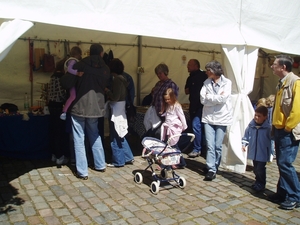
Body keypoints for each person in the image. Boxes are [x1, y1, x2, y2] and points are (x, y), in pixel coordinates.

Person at [70, 44, 110, 180]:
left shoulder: (80, 65)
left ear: (89, 53)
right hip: (96, 107)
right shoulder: (106, 69)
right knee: (95, 134)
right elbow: (106, 86)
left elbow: (69, 82)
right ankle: (100, 164)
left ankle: (82, 171)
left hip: (79, 106)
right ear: (101, 54)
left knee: (79, 138)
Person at [268, 55, 300, 210]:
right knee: (281, 164)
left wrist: (288, 127)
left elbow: (297, 109)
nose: (272, 66)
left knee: (285, 164)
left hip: (288, 131)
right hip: (280, 130)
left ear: (283, 67)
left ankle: (295, 196)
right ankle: (282, 193)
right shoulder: (281, 83)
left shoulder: (295, 82)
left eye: (274, 64)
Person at [200, 60, 233, 181]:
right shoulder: (206, 83)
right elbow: (202, 99)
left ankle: (215, 165)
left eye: (208, 70)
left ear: (213, 71)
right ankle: (211, 169)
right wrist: (216, 98)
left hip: (222, 117)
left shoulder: (227, 83)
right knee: (210, 144)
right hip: (208, 117)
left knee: (217, 146)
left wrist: (211, 97)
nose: (206, 72)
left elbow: (223, 99)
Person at [105, 58, 134, 167]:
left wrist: (107, 91)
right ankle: (128, 156)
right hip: (121, 110)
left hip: (116, 111)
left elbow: (115, 97)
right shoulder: (124, 79)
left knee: (114, 136)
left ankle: (118, 161)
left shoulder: (116, 80)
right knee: (121, 134)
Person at [242, 106, 271, 192]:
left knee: (260, 169)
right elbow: (246, 136)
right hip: (253, 152)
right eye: (255, 115)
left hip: (262, 153)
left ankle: (261, 183)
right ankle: (258, 181)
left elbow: (271, 140)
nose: (256, 117)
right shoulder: (251, 126)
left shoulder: (268, 128)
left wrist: (271, 152)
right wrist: (244, 144)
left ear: (265, 117)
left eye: (259, 116)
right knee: (256, 169)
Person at [146, 63, 179, 139]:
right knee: (155, 134)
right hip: (155, 114)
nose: (158, 75)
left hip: (165, 115)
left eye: (160, 73)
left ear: (165, 72)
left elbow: (173, 102)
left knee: (162, 135)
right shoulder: (158, 84)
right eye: (157, 74)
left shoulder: (171, 85)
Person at [48, 59, 70, 165]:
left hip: (51, 105)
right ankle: (59, 156)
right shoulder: (61, 78)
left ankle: (53, 154)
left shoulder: (52, 77)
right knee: (59, 133)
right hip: (58, 106)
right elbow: (61, 94)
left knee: (53, 131)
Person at [184, 59, 208, 158]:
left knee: (196, 125)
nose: (187, 67)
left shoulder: (204, 76)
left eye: (190, 65)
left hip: (202, 106)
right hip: (193, 105)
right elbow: (186, 91)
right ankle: (202, 148)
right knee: (199, 127)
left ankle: (197, 148)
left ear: (196, 66)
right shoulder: (189, 78)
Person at [160, 88, 188, 169]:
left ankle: (167, 165)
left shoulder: (177, 105)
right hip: (168, 128)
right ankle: (181, 162)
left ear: (172, 97)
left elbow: (182, 117)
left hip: (174, 129)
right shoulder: (168, 105)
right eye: (165, 100)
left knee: (172, 147)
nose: (167, 101)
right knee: (172, 147)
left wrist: (184, 127)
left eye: (168, 99)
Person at [60, 46, 82, 120]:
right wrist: (77, 73)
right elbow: (69, 69)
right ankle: (64, 111)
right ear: (78, 54)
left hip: (69, 81)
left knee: (72, 96)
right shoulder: (73, 61)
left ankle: (64, 111)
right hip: (71, 81)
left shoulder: (69, 60)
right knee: (73, 96)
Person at [266, 94, 275, 160]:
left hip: (267, 126)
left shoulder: (267, 109)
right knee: (271, 141)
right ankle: (271, 153)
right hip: (271, 126)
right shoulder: (272, 109)